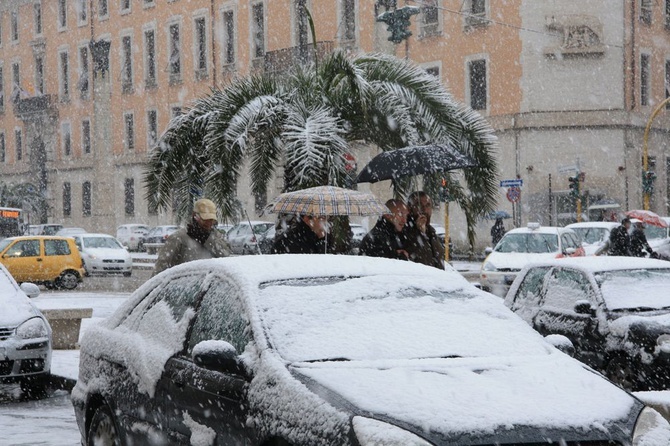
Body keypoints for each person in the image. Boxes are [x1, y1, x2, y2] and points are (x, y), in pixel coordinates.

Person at [153, 198, 232, 275]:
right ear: (195, 216)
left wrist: (208, 240)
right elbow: (161, 267)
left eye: (211, 220)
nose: (208, 223)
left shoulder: (216, 237)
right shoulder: (179, 238)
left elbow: (226, 256)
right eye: (205, 219)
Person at [403, 191, 445, 269]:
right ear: (410, 208)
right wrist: (420, 233)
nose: (424, 210)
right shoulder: (403, 231)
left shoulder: (432, 233)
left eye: (428, 205)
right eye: (419, 205)